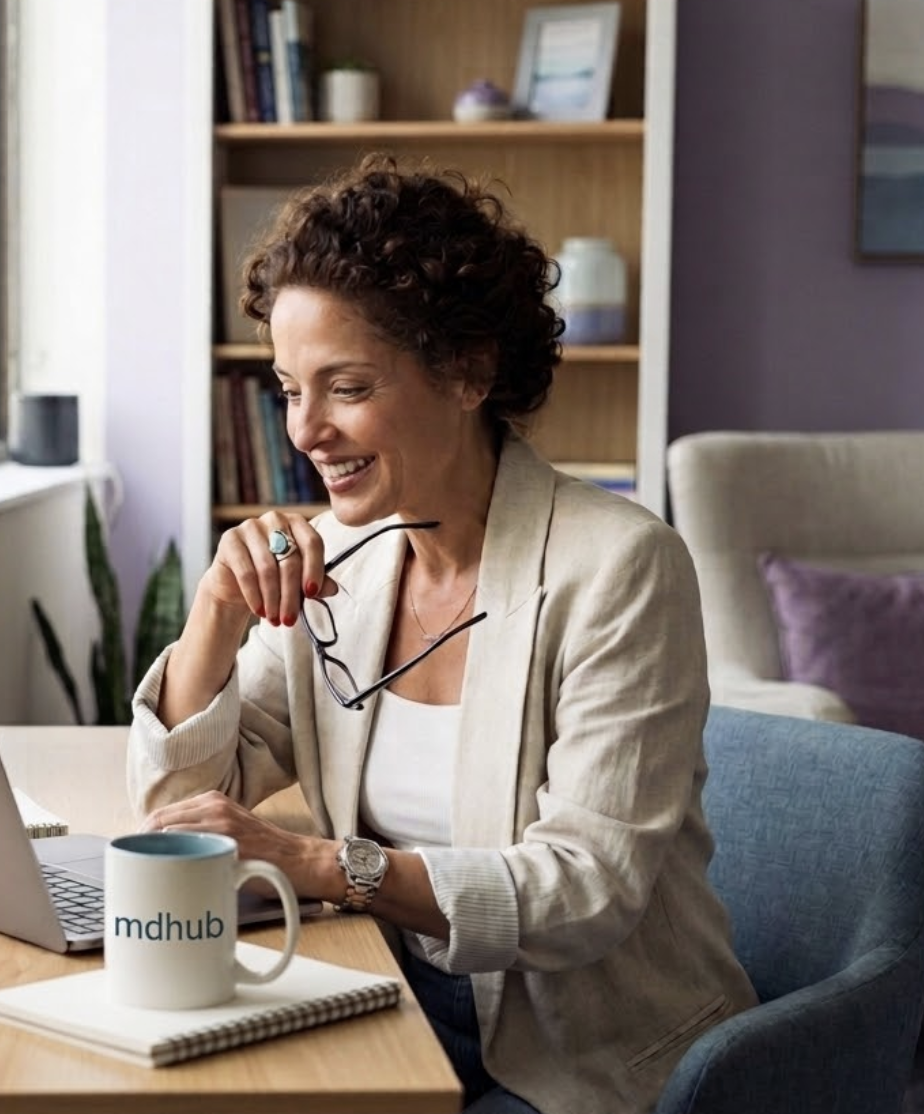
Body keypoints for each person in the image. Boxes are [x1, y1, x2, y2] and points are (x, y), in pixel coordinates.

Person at [126, 154, 757, 1114]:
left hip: (576, 1048)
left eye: (346, 386)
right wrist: (214, 610)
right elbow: (181, 806)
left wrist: (319, 866)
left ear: (466, 371)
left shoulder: (620, 566)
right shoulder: (340, 552)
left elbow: (584, 890)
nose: (305, 432)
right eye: (289, 389)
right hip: (387, 989)